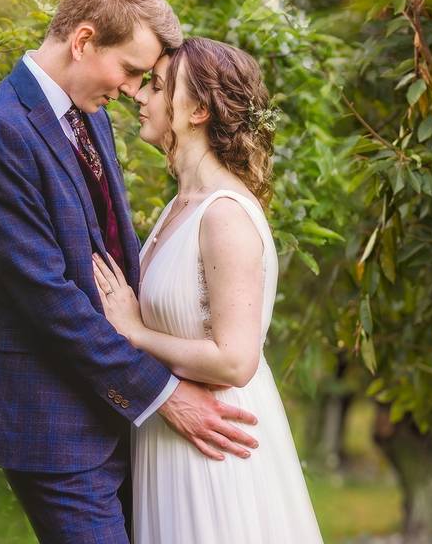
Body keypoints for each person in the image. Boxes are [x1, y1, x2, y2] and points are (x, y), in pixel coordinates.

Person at [0, 0, 259, 544]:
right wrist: (164, 393)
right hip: (57, 429)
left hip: (121, 419)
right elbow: (50, 299)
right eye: (129, 70)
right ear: (85, 40)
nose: (132, 91)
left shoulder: (90, 119)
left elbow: (113, 255)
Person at [92, 37, 324, 543]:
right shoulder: (182, 206)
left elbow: (235, 360)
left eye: (156, 87)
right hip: (172, 442)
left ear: (197, 110)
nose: (140, 97)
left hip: (217, 452)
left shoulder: (224, 215)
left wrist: (134, 333)